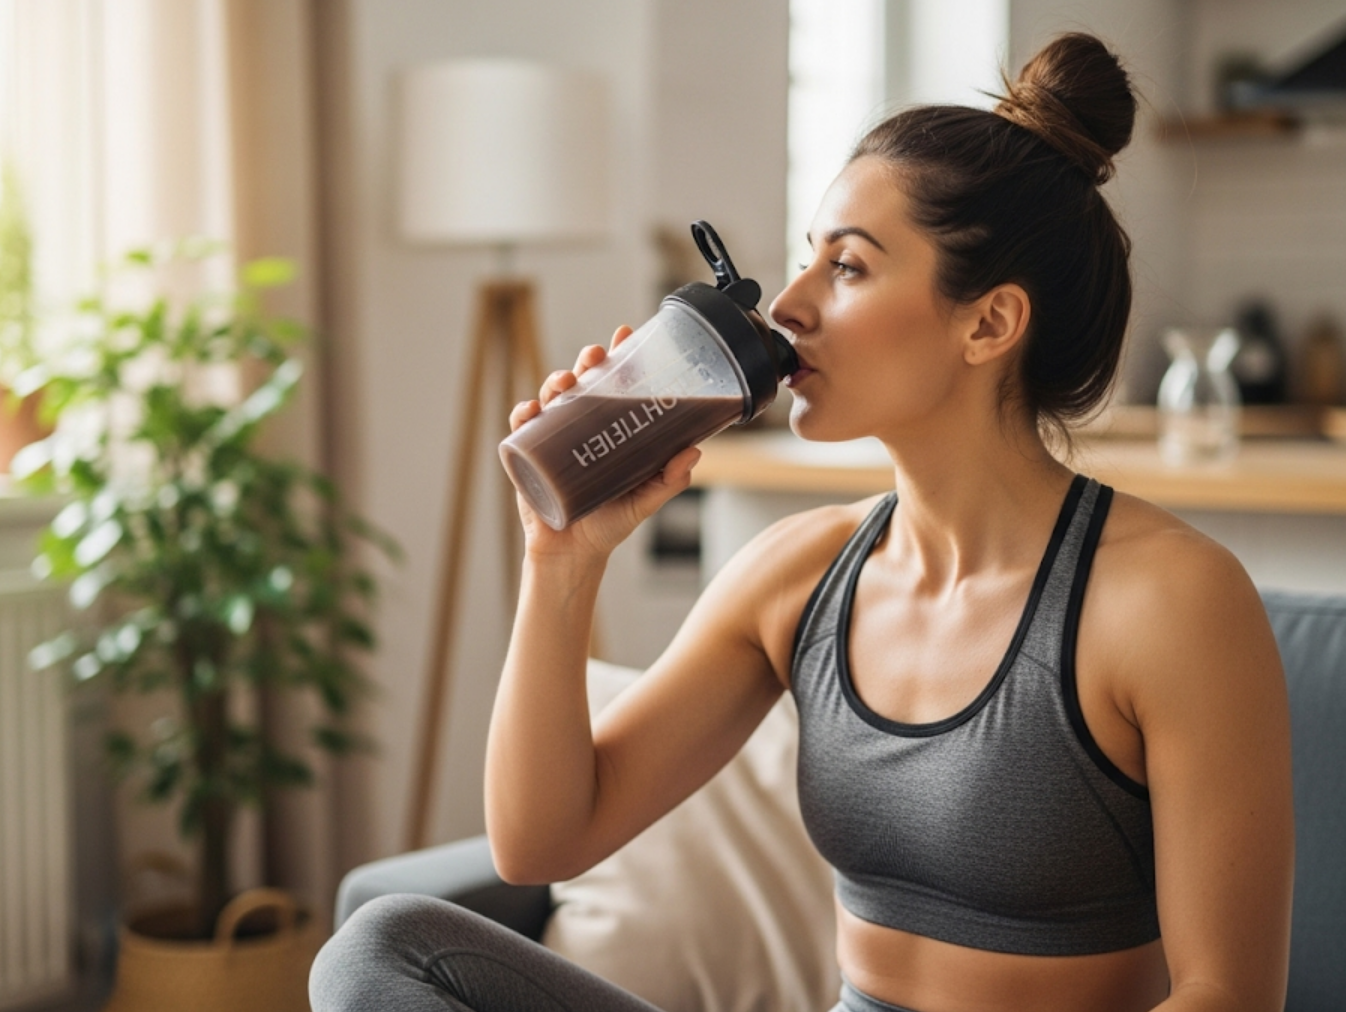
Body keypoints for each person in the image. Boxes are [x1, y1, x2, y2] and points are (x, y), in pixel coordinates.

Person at [310, 32, 1294, 1012]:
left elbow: (1226, 992)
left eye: (848, 268)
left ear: (986, 323)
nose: (785, 306)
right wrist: (559, 559)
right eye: (802, 261)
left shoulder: (1167, 599)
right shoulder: (796, 573)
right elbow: (542, 840)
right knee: (382, 950)